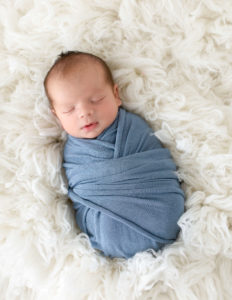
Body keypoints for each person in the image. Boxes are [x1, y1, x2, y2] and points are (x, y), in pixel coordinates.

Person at [44, 51, 185, 259]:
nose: (84, 112)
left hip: (164, 215)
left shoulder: (134, 128)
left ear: (116, 95)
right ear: (56, 115)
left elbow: (159, 166)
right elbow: (81, 196)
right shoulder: (72, 155)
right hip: (108, 239)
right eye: (69, 109)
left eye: (96, 99)